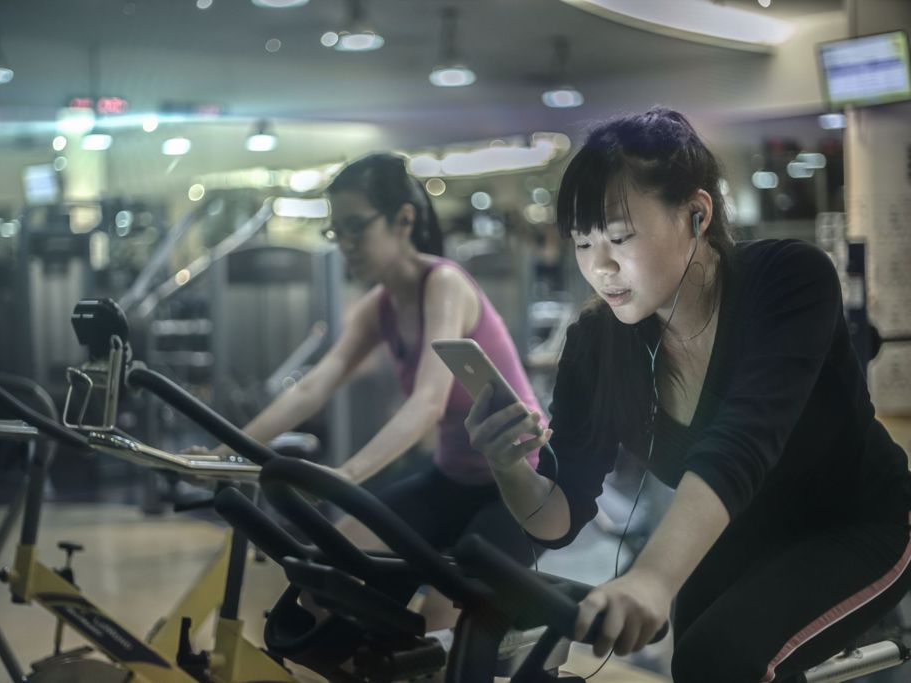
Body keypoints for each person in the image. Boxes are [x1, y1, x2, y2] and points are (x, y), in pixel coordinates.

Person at [465, 107, 911, 682]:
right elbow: (560, 516)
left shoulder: (789, 279)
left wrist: (651, 577)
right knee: (698, 658)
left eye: (620, 237)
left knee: (719, 658)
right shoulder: (597, 344)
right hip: (738, 529)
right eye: (582, 243)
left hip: (856, 523)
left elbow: (741, 443)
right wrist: (509, 467)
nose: (600, 267)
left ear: (697, 215)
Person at [214, 152, 548, 618]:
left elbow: (429, 402)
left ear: (403, 220)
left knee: (443, 622)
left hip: (516, 484)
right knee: (327, 574)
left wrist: (346, 477)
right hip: (452, 476)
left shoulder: (444, 284)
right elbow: (313, 387)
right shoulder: (379, 307)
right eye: (337, 231)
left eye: (356, 227)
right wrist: (229, 452)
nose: (345, 243)